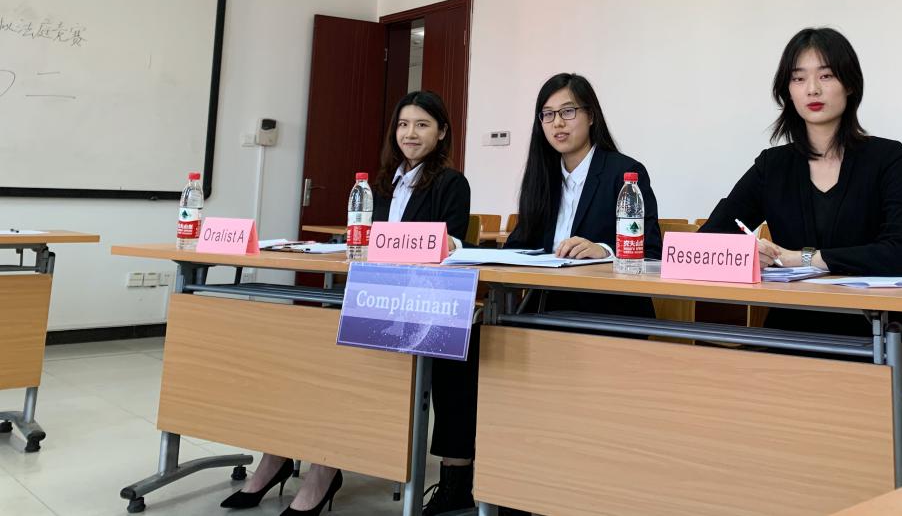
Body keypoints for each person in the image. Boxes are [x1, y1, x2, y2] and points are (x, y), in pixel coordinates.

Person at [219, 91, 472, 516]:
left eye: (422, 125)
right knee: (310, 347)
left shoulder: (451, 183)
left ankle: (324, 469)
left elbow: (452, 243)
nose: (410, 134)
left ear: (442, 132)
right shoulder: (379, 184)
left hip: (417, 304)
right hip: (373, 295)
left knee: (345, 357)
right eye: (403, 124)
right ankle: (277, 452)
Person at [700, 27, 902, 346]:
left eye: (826, 76)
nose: (812, 89)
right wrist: (747, 253)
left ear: (850, 84)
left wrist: (803, 259)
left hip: (868, 335)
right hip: (788, 334)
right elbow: (707, 241)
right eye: (799, 78)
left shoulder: (886, 157)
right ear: (787, 91)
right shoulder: (772, 165)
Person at [505, 73, 661, 315]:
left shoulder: (624, 174)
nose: (557, 123)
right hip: (545, 311)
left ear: (591, 116)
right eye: (548, 114)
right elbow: (515, 248)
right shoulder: (542, 178)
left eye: (568, 111)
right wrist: (459, 247)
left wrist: (605, 251)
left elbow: (652, 255)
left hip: (608, 312)